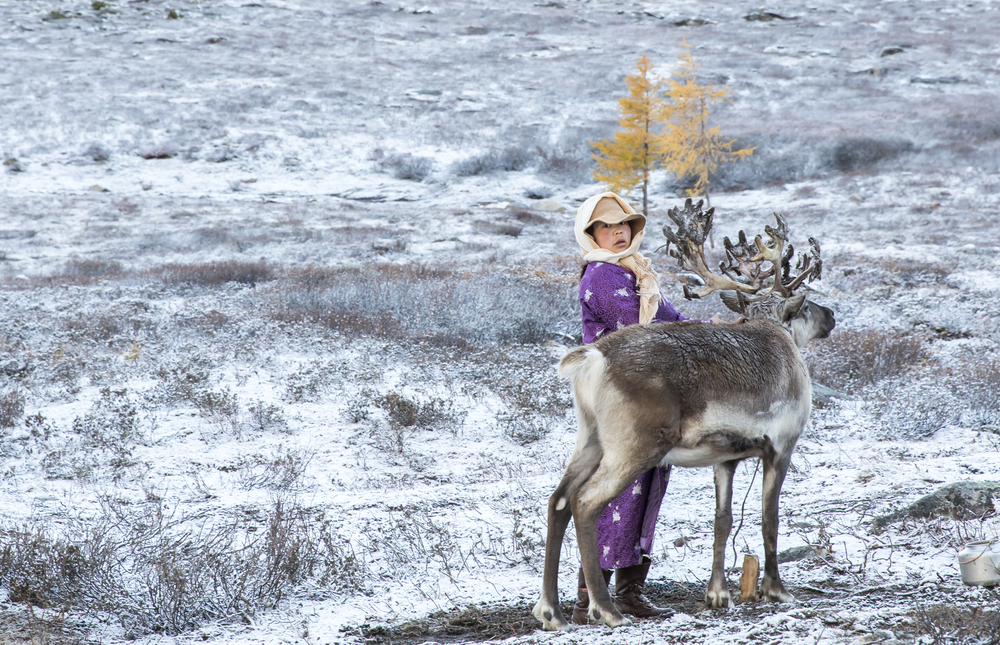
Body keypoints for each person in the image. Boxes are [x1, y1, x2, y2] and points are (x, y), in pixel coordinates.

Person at [570, 191, 688, 624]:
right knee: (615, 488)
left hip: (646, 395)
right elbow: (638, 332)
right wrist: (687, 338)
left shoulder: (636, 272)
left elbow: (670, 320)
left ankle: (630, 592)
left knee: (647, 483)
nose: (619, 232)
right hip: (618, 399)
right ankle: (591, 597)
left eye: (624, 225)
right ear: (591, 234)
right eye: (607, 227)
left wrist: (712, 330)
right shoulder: (601, 277)